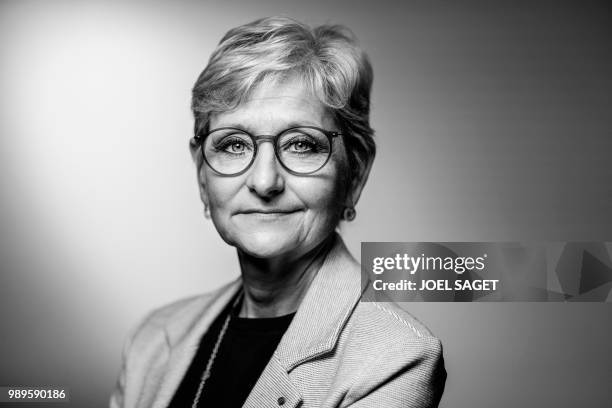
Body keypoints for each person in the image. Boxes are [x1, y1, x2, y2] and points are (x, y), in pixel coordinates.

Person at [110, 16, 446, 408]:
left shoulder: (396, 356)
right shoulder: (152, 340)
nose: (265, 181)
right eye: (234, 144)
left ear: (355, 172)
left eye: (302, 144)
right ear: (202, 173)